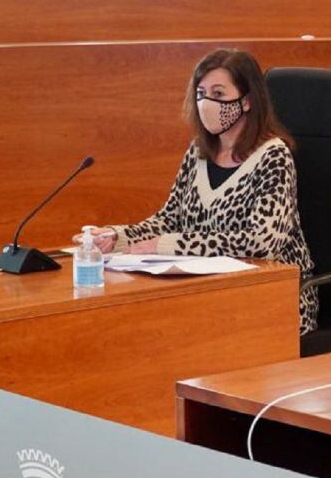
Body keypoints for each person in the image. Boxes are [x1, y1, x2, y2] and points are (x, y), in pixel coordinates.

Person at [78, 48, 318, 334]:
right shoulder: (199, 152)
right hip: (209, 292)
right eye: (201, 93)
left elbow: (261, 242)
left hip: (273, 298)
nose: (206, 103)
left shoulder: (273, 156)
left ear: (247, 101)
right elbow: (169, 219)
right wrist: (118, 237)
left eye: (218, 94)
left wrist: (166, 245)